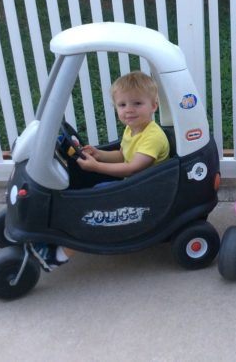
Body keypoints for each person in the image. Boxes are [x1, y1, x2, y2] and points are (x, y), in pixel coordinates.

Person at [31, 71, 170, 271]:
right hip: (133, 184)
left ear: (153, 106)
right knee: (93, 191)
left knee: (93, 207)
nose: (129, 110)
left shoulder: (152, 137)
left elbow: (133, 167)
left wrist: (96, 167)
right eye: (122, 105)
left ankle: (57, 256)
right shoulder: (133, 129)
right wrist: (99, 154)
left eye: (137, 103)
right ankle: (54, 236)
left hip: (146, 192)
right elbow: (123, 156)